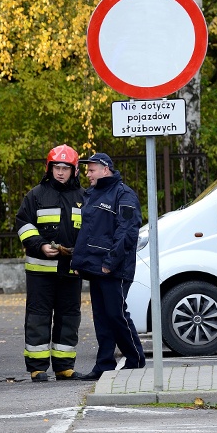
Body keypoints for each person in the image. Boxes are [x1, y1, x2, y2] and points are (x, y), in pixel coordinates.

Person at [71, 152, 146, 381]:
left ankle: (135, 359)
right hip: (95, 268)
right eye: (87, 170)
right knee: (102, 317)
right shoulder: (91, 194)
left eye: (91, 170)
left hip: (115, 269)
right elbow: (87, 232)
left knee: (116, 314)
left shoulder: (124, 194)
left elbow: (127, 232)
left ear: (105, 169)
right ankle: (104, 365)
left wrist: (110, 263)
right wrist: (79, 262)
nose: (88, 174)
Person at [15, 144, 86, 382]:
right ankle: (37, 368)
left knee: (69, 317)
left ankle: (64, 367)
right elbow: (24, 225)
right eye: (57, 166)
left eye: (66, 167)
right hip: (40, 271)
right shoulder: (35, 195)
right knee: (38, 318)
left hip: (71, 268)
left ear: (74, 170)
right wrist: (41, 246)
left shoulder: (84, 197)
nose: (61, 172)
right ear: (49, 168)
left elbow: (90, 231)